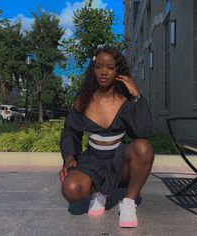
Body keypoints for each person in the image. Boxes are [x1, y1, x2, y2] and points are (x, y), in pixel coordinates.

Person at [59, 46, 154, 228]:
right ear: (93, 69)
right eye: (99, 67)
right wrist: (69, 157)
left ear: (118, 71)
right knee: (71, 189)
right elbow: (70, 130)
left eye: (110, 67)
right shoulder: (84, 99)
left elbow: (145, 131)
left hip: (119, 162)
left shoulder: (126, 101)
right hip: (92, 161)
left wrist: (136, 95)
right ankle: (99, 192)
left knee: (143, 147)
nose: (103, 72)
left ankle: (128, 203)